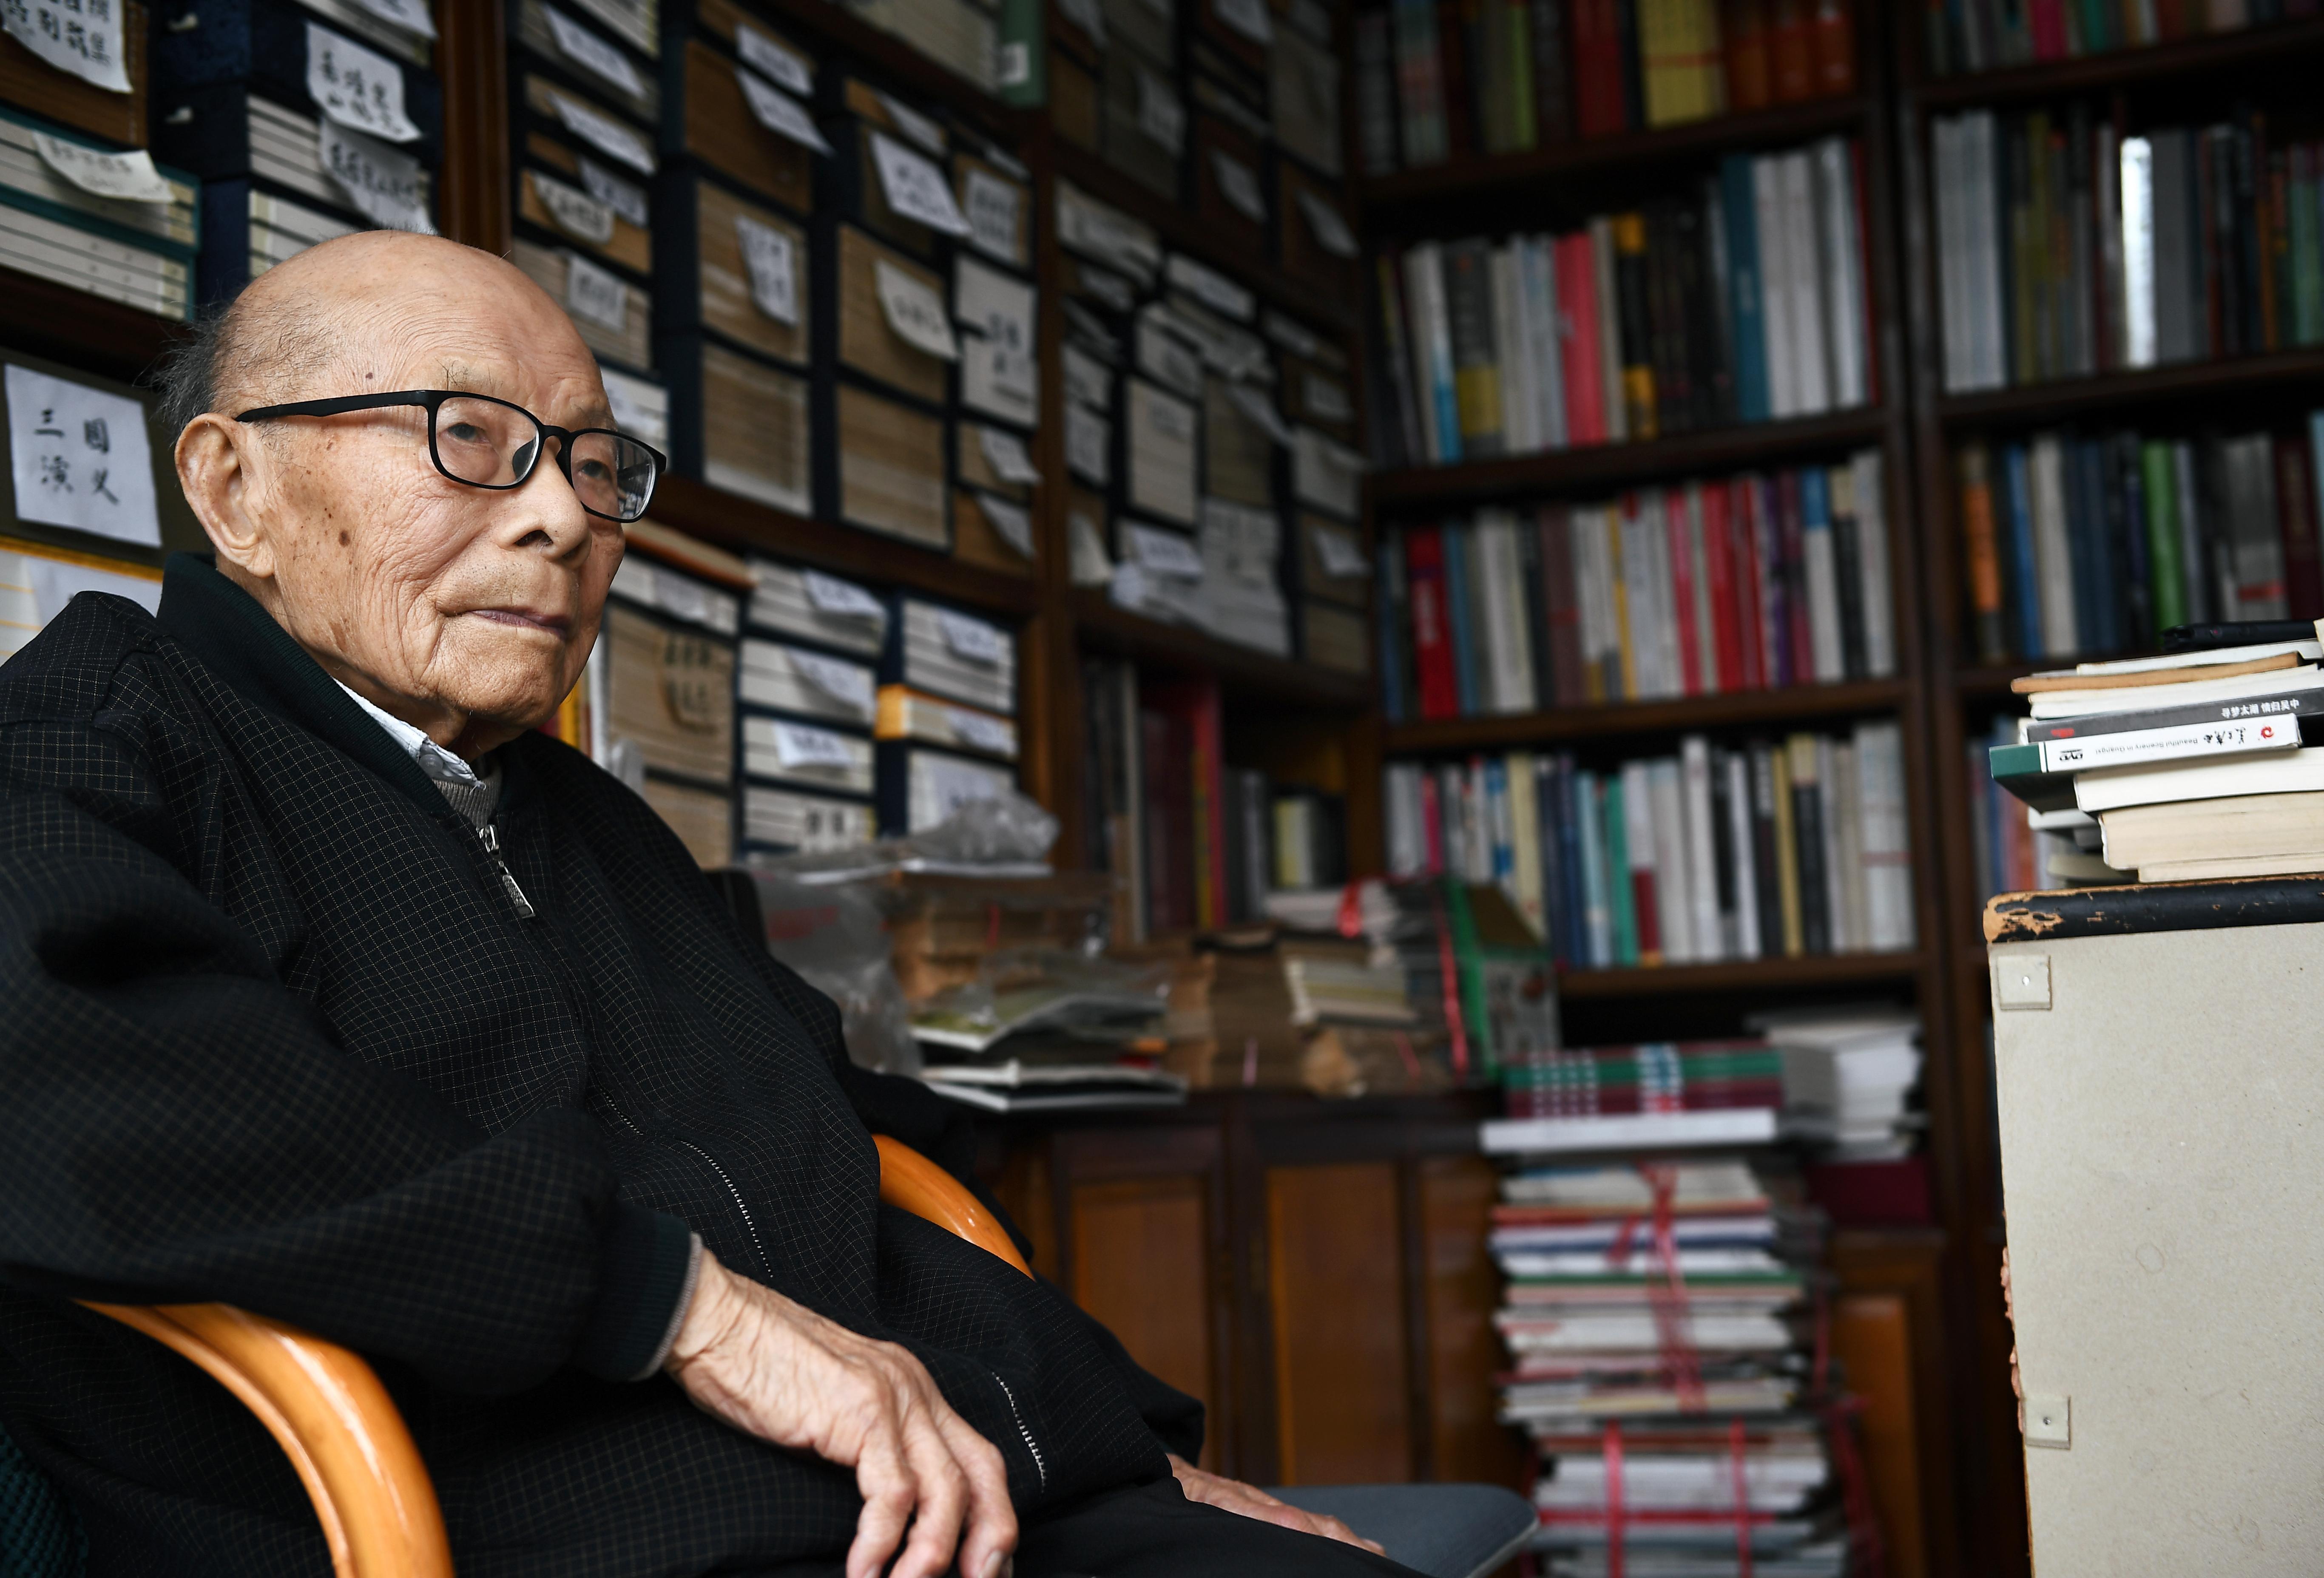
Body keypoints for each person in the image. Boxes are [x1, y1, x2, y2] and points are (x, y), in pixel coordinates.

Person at [0, 232, 1408, 1578]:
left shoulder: (583, 817)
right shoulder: (96, 731)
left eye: (593, 464)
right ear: (234, 488)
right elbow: (90, 1086)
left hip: (939, 1494)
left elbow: (849, 1142)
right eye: (467, 438)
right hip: (559, 1534)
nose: (563, 518)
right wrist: (681, 1307)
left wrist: (1124, 1448)